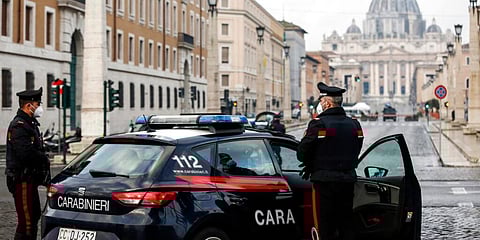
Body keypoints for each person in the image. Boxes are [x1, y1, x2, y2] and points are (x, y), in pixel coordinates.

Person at [297, 82, 364, 240]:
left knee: (325, 224)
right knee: (346, 223)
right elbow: (357, 148)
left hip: (323, 181)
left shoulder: (318, 124)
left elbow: (302, 152)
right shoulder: (354, 124)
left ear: (326, 103)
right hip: (348, 180)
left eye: (321, 102)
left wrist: (310, 164)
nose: (319, 105)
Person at [5, 87, 51, 240]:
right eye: (38, 104)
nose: (39, 107)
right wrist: (43, 159)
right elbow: (25, 154)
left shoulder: (29, 123)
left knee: (34, 215)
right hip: (22, 180)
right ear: (29, 105)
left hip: (30, 179)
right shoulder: (19, 125)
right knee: (27, 221)